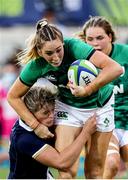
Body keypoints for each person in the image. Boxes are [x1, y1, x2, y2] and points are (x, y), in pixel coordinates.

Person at [7, 18, 123, 179]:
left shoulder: (75, 47)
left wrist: (87, 89)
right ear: (39, 52)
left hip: (100, 105)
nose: (55, 57)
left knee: (94, 173)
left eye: (58, 50)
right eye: (49, 53)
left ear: (63, 43)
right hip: (69, 107)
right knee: (67, 172)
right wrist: (35, 126)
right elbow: (12, 96)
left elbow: (115, 69)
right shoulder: (36, 66)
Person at [8, 86, 96, 179]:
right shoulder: (24, 139)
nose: (52, 116)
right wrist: (85, 133)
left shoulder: (28, 123)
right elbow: (62, 163)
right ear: (30, 113)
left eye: (53, 110)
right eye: (46, 113)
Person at [78, 15, 128, 179]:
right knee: (110, 164)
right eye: (90, 39)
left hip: (126, 120)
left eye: (100, 38)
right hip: (103, 120)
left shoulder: (125, 54)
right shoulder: (80, 62)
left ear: (110, 37)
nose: (94, 43)